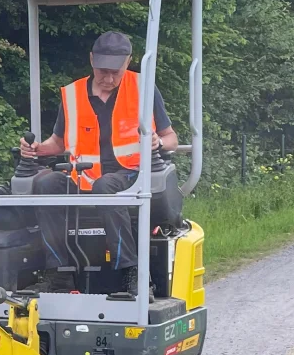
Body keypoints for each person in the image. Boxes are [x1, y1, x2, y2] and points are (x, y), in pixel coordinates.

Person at [21, 31, 179, 296]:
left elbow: (171, 138)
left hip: (130, 175)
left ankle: (131, 274)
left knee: (105, 186)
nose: (108, 78)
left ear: (128, 62)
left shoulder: (143, 88)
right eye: (102, 71)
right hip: (82, 176)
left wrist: (158, 143)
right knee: (46, 183)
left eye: (114, 72)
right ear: (91, 60)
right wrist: (36, 149)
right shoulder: (72, 95)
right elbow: (58, 143)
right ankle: (58, 275)